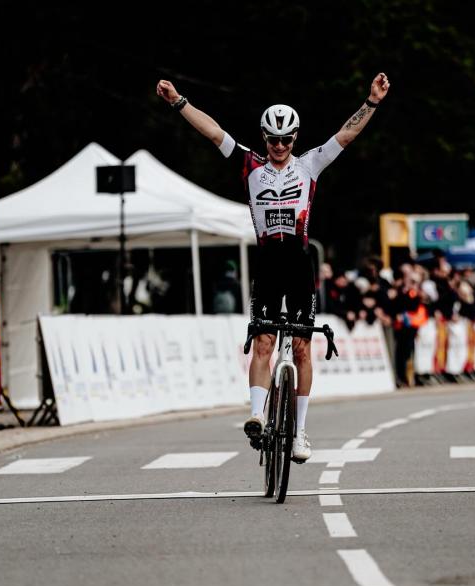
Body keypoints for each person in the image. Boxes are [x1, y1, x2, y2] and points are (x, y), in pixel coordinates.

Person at [157, 72, 390, 461]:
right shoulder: (250, 164)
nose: (279, 146)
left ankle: (300, 433)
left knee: (302, 349)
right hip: (267, 263)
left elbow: (346, 136)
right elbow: (213, 132)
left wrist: (372, 102)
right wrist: (178, 101)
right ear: (264, 138)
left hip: (299, 263)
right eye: (272, 140)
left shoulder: (310, 165)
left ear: (295, 139)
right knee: (263, 342)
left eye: (286, 140)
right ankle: (256, 415)